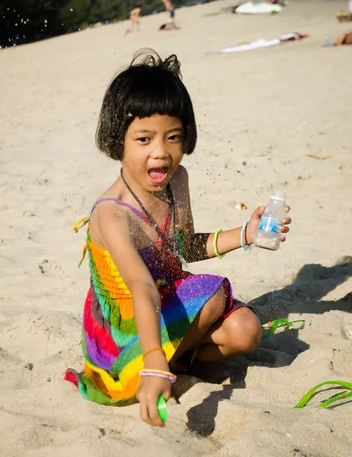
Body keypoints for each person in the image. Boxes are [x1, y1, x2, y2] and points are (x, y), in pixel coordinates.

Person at [65, 50, 291, 427]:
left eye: (173, 138)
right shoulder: (111, 213)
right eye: (143, 139)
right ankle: (156, 366)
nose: (160, 152)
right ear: (116, 139)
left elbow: (184, 248)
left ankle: (179, 360)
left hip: (167, 299)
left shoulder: (178, 181)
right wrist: (153, 359)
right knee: (214, 295)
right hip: (123, 336)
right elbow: (141, 288)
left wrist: (247, 234)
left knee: (246, 331)